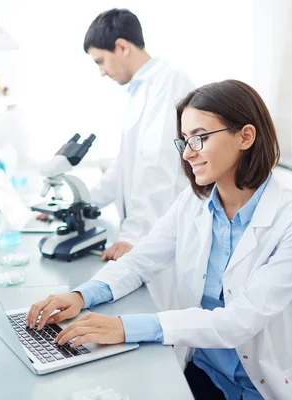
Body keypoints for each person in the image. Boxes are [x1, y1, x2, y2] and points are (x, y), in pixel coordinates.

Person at [26, 80, 292, 399]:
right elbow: (139, 262)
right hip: (204, 373)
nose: (189, 153)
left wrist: (126, 327)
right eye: (184, 141)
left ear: (245, 136)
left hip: (265, 386)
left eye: (200, 138)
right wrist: (82, 296)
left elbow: (240, 321)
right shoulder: (192, 204)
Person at [83, 8, 194, 311]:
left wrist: (134, 235)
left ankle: (181, 360)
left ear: (121, 46)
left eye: (100, 61)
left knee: (168, 313)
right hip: (147, 227)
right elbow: (125, 165)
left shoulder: (169, 82)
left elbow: (157, 166)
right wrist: (84, 202)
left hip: (160, 225)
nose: (102, 71)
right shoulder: (139, 90)